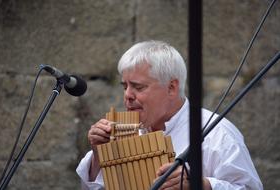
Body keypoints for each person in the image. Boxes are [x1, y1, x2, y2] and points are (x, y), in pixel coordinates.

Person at [76, 40, 263, 190]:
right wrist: (99, 157)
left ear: (171, 87)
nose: (127, 96)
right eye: (125, 86)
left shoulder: (218, 133)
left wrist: (203, 185)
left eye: (138, 87)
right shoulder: (118, 133)